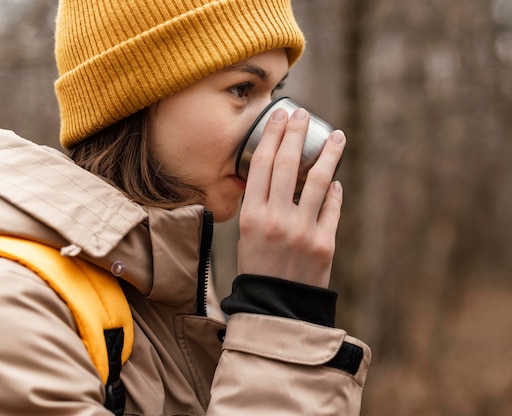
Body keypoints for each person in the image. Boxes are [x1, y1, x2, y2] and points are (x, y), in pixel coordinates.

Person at [0, 0, 370, 414]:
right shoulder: (17, 308)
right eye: (242, 89)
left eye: (276, 94)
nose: (274, 135)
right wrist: (280, 316)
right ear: (135, 93)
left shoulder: (175, 283)